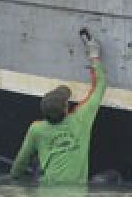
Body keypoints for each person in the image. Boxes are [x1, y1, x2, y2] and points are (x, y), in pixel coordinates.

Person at [10, 30, 107, 185]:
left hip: (46, 194)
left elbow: (21, 162)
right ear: (66, 109)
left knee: (36, 163)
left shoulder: (37, 130)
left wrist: (13, 179)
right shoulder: (82, 118)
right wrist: (94, 56)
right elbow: (100, 86)